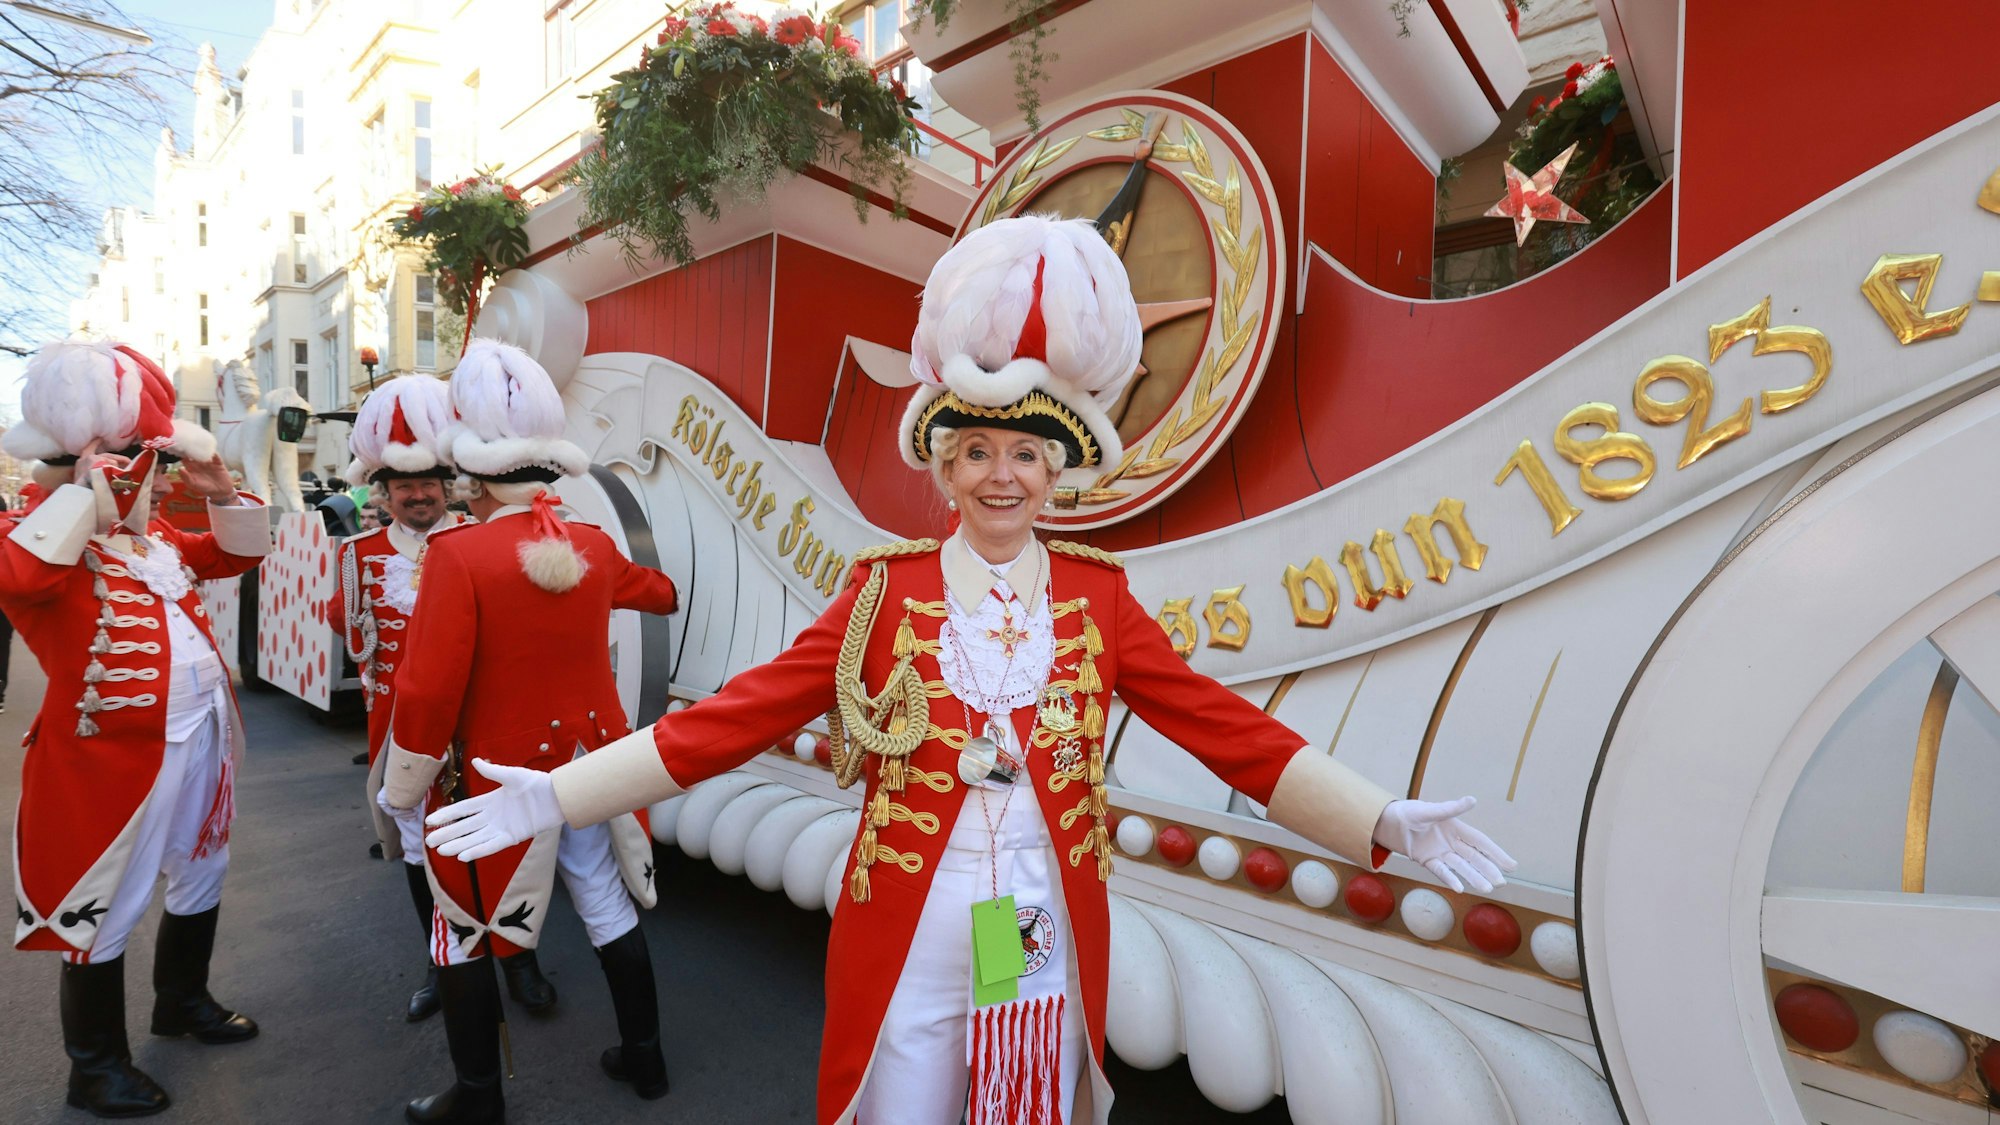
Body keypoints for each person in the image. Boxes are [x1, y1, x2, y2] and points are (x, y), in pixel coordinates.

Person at [426, 216, 1518, 1124]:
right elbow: (737, 717)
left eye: (1027, 455)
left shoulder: (1096, 597)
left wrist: (1375, 818)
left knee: (1016, 1104)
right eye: (979, 454)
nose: (1003, 477)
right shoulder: (883, 590)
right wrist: (558, 794)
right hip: (906, 921)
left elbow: (1217, 723)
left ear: (1060, 470)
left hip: (1030, 925)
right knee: (899, 1102)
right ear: (943, 465)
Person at [382, 339, 680, 1124]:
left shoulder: (458, 554)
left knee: (463, 930)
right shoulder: (586, 544)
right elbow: (662, 593)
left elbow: (426, 688)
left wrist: (402, 787)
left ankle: (481, 1096)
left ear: (475, 472)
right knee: (607, 905)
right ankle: (646, 1058)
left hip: (497, 779)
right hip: (589, 764)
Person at [0, 340, 272, 1118]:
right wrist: (82, 494)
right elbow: (21, 578)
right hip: (110, 762)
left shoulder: (152, 545)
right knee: (105, 905)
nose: (139, 478)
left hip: (202, 737)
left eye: (142, 464)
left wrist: (218, 483)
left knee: (202, 869)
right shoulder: (38, 543)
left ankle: (181, 1001)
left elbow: (236, 552)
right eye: (127, 464)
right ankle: (94, 1065)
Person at [336, 377, 560, 1025]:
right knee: (419, 852)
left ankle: (519, 957)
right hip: (405, 735)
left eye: (431, 479)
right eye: (403, 484)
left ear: (449, 483)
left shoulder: (479, 540)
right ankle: (443, 964)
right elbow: (356, 640)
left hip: (485, 729)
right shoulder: (358, 555)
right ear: (382, 491)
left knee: (506, 842)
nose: (418, 492)